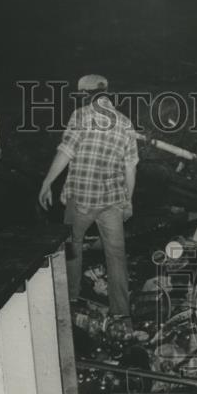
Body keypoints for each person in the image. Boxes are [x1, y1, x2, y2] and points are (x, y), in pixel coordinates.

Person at [37, 75, 137, 319]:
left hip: (80, 200)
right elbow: (130, 167)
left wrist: (46, 182)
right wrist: (128, 201)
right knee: (116, 256)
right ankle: (121, 312)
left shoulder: (81, 116)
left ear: (85, 94)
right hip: (112, 201)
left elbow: (65, 152)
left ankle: (71, 299)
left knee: (72, 247)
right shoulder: (125, 123)